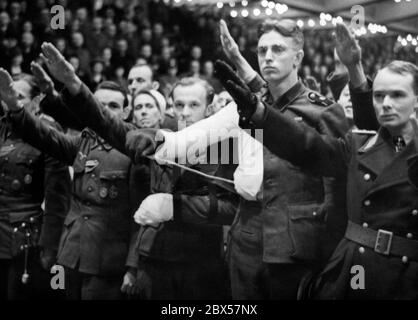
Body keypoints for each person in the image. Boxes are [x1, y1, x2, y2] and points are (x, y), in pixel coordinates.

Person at [128, 19, 351, 299]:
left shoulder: (321, 110)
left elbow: (338, 188)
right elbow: (186, 140)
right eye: (262, 50)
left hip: (298, 243)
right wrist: (146, 136)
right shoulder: (245, 105)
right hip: (246, 233)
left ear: (298, 57)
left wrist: (332, 253)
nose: (268, 56)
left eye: (278, 49)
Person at [2, 64, 150, 300]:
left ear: (126, 112)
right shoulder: (84, 140)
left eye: (113, 106)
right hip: (70, 254)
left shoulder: (135, 150)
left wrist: (133, 268)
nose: (103, 111)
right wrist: (16, 108)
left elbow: (141, 217)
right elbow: (45, 137)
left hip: (108, 262)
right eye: (98, 104)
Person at [0, 73, 71, 300]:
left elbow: (57, 199)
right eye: (6, 95)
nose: (10, 100)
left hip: (24, 239)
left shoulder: (48, 134)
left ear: (36, 100)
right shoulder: (2, 129)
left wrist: (50, 247)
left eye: (18, 96)